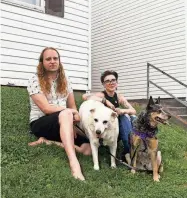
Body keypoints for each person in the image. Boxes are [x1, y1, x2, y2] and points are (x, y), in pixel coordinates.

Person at [27, 47, 91, 181]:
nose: (52, 61)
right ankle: (74, 164)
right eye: (48, 59)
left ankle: (47, 141)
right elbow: (46, 109)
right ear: (42, 62)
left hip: (64, 120)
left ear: (59, 61)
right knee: (66, 112)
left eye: (55, 58)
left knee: (87, 149)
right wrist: (70, 112)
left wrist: (74, 120)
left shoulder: (65, 79)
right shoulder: (35, 80)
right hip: (41, 122)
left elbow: (73, 106)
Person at [82, 70, 136, 163]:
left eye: (113, 80)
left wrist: (122, 111)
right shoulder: (102, 95)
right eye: (107, 81)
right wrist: (105, 101)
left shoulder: (119, 97)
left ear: (117, 82)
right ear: (103, 84)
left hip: (119, 126)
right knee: (124, 119)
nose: (111, 83)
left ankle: (137, 147)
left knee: (134, 118)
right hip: (107, 128)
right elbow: (85, 96)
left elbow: (133, 110)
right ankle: (128, 152)